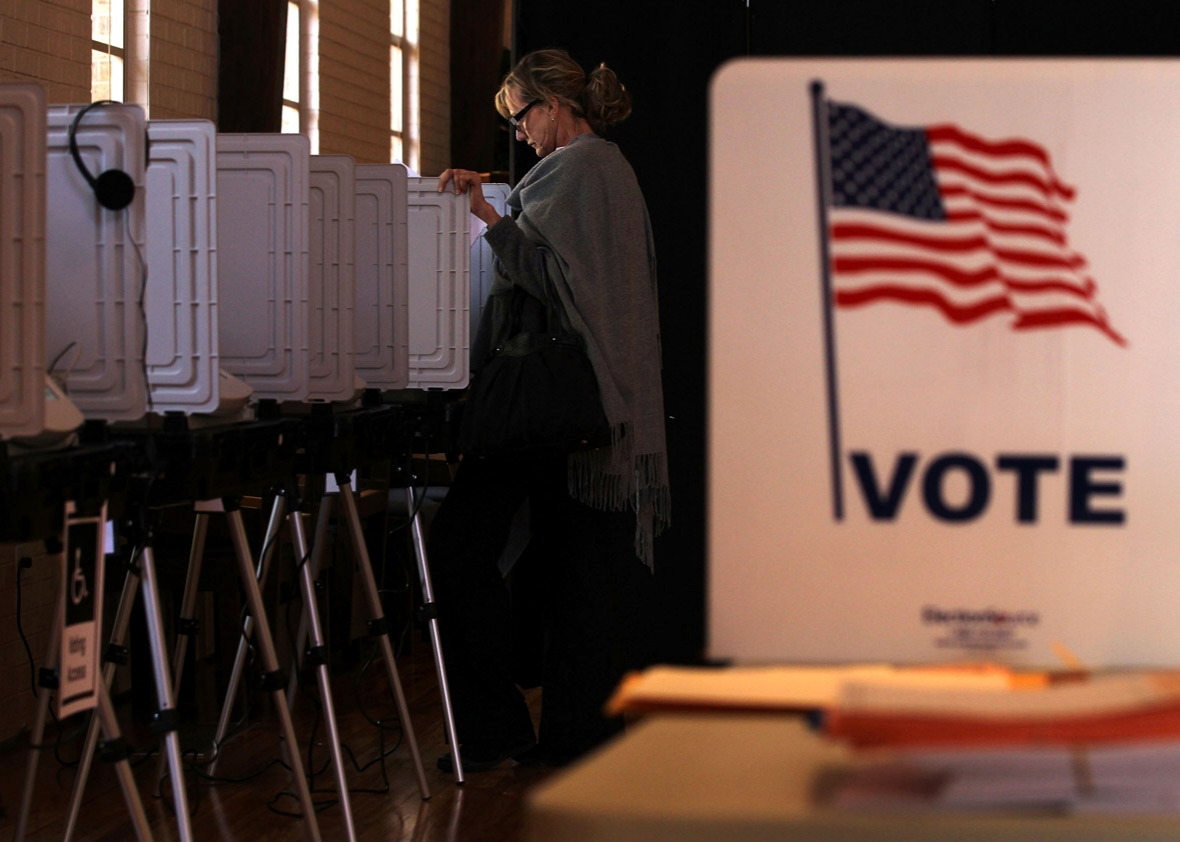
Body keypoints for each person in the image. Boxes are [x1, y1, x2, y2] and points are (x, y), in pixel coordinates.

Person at [429, 47, 671, 771]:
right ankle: (571, 744)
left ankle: (498, 729)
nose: (521, 132)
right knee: (576, 574)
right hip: (588, 408)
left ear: (556, 106)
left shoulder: (585, 170)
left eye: (523, 115)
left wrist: (486, 214)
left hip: (550, 402)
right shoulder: (599, 172)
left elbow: (551, 278)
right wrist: (503, 206)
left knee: (463, 549)